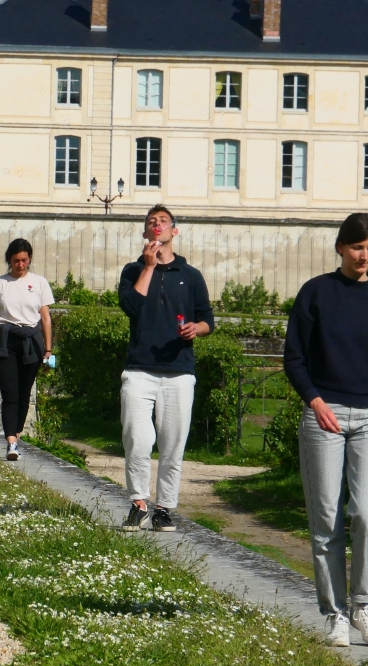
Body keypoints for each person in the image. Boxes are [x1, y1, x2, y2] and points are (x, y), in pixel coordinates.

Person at [284, 212, 368, 649]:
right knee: (326, 520)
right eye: (357, 246)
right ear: (340, 247)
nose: (364, 255)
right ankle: (334, 614)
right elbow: (294, 358)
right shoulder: (316, 293)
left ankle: (362, 604)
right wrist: (314, 401)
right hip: (326, 413)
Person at [117, 205, 215, 534]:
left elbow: (207, 321)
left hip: (179, 371)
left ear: (174, 231)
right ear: (146, 233)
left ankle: (164, 509)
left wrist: (195, 329)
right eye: (150, 222)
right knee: (137, 439)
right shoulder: (133, 271)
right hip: (139, 369)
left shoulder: (191, 276)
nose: (156, 226)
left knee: (172, 444)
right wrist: (148, 266)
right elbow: (131, 306)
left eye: (162, 222)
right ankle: (138, 504)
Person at [0, 239, 53, 461]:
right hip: (5, 342)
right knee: (9, 394)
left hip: (31, 341)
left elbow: (45, 317)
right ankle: (11, 441)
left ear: (29, 259)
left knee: (24, 394)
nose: (20, 265)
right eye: (15, 261)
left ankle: (17, 431)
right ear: (9, 260)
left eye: (24, 260)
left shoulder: (39, 283)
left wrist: (48, 350)